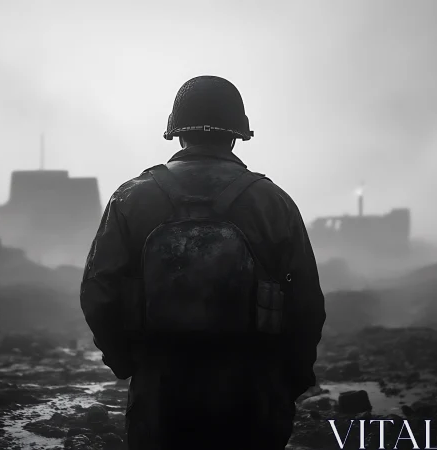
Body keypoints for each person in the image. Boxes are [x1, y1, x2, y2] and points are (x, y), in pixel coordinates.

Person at [81, 75, 326, 450]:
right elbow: (307, 303)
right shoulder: (273, 202)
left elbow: (98, 291)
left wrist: (128, 363)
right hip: (251, 387)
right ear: (236, 135)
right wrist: (289, 379)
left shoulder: (130, 198)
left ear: (177, 133)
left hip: (160, 387)